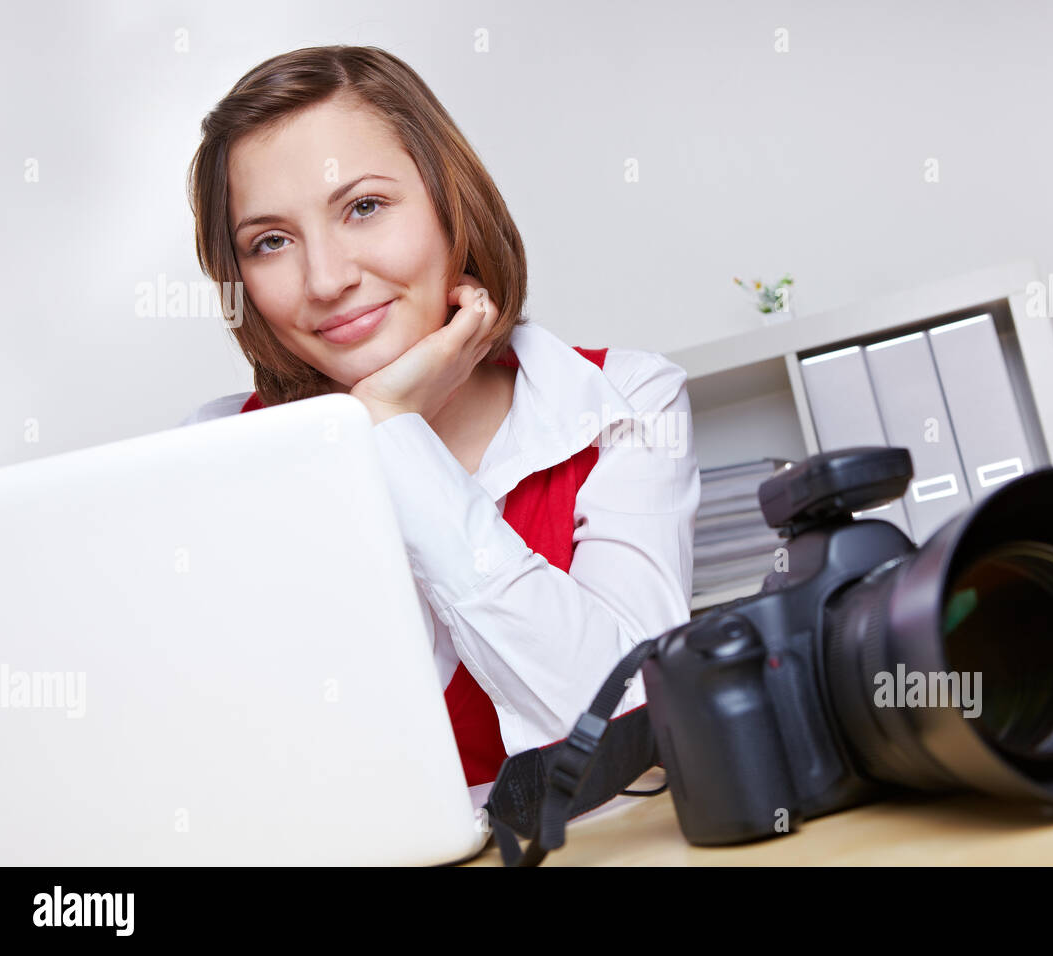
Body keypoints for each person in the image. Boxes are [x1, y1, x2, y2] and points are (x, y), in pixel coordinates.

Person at [179, 45, 700, 787]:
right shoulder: (221, 458)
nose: (326, 280)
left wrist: (392, 428)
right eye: (270, 242)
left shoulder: (621, 402)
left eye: (364, 207)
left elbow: (625, 727)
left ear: (450, 201)